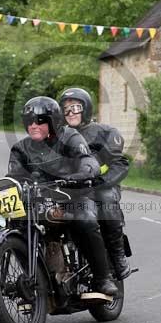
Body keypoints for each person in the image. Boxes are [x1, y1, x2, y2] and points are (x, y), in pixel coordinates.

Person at [6, 96, 119, 297]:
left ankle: (103, 278)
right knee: (16, 226)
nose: (33, 126)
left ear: (52, 121)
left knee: (86, 220)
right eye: (29, 121)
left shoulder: (70, 137)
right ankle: (38, 278)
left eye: (39, 121)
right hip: (39, 202)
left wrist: (80, 174)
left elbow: (88, 161)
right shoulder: (21, 148)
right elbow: (13, 177)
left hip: (73, 197)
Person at [59, 88, 131, 280]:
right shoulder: (59, 136)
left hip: (101, 186)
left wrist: (102, 182)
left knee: (105, 199)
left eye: (75, 107)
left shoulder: (104, 132)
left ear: (86, 108)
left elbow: (120, 164)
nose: (70, 112)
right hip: (71, 190)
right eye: (65, 109)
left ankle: (117, 256)